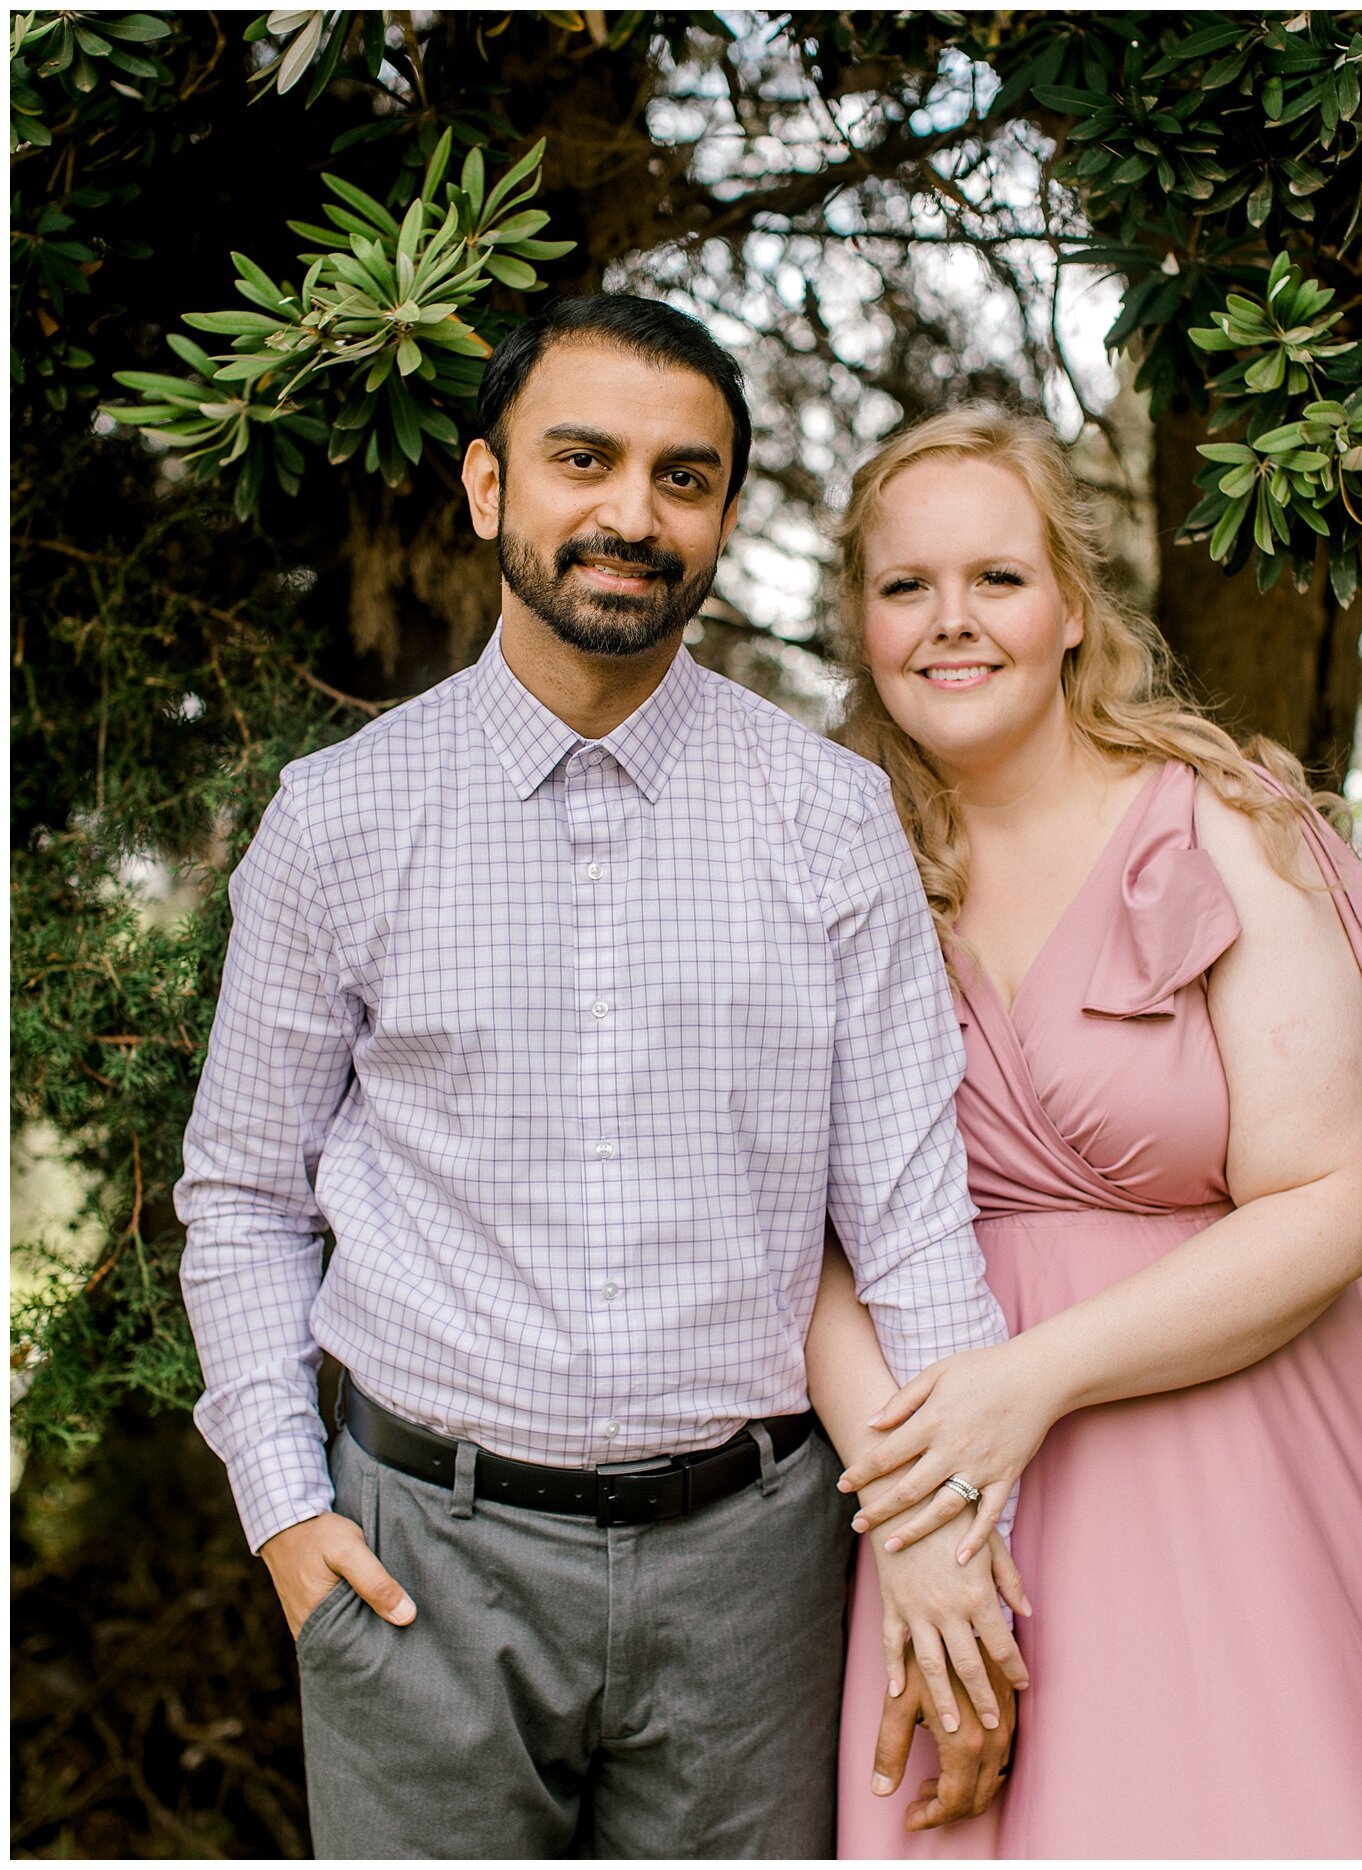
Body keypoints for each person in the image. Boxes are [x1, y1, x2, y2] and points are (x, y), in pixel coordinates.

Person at [174, 295, 1024, 1860]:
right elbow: (240, 1195)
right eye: (585, 460)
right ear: (490, 487)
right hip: (418, 1560)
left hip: (760, 1577)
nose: (633, 514)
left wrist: (953, 1551)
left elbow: (911, 1229)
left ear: (718, 519)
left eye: (683, 477)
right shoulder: (341, 821)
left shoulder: (830, 821)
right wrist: (287, 1510)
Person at [814, 403, 1362, 1859]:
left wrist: (1028, 1384)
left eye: (997, 577)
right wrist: (914, 1504)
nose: (953, 622)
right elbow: (787, 1232)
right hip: (939, 1500)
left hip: (1233, 1463)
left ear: (1070, 603)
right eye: (904, 585)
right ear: (860, 622)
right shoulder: (829, 862)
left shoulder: (1223, 825)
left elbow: (1341, 1196)